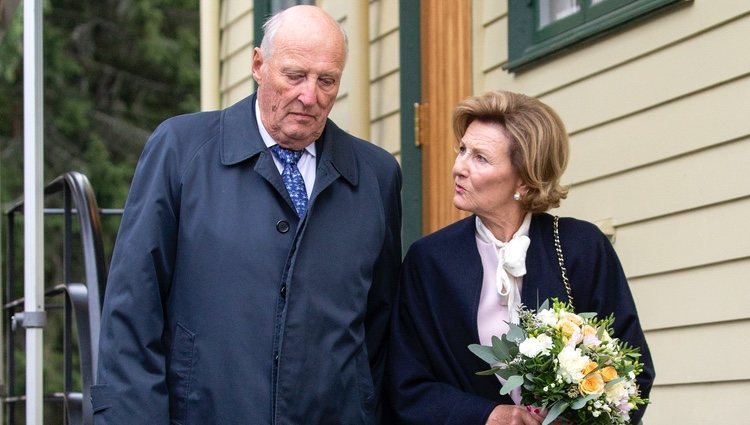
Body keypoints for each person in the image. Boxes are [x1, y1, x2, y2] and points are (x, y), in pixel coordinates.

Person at [92, 5, 402, 424]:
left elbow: (379, 327)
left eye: (326, 81)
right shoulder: (180, 150)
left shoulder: (377, 176)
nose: (309, 96)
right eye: (294, 75)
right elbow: (132, 310)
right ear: (259, 64)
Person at [387, 91, 654, 425]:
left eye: (480, 158)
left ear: (525, 181)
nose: (459, 167)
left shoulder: (582, 247)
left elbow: (632, 374)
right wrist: (488, 416)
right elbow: (406, 387)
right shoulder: (429, 261)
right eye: (462, 150)